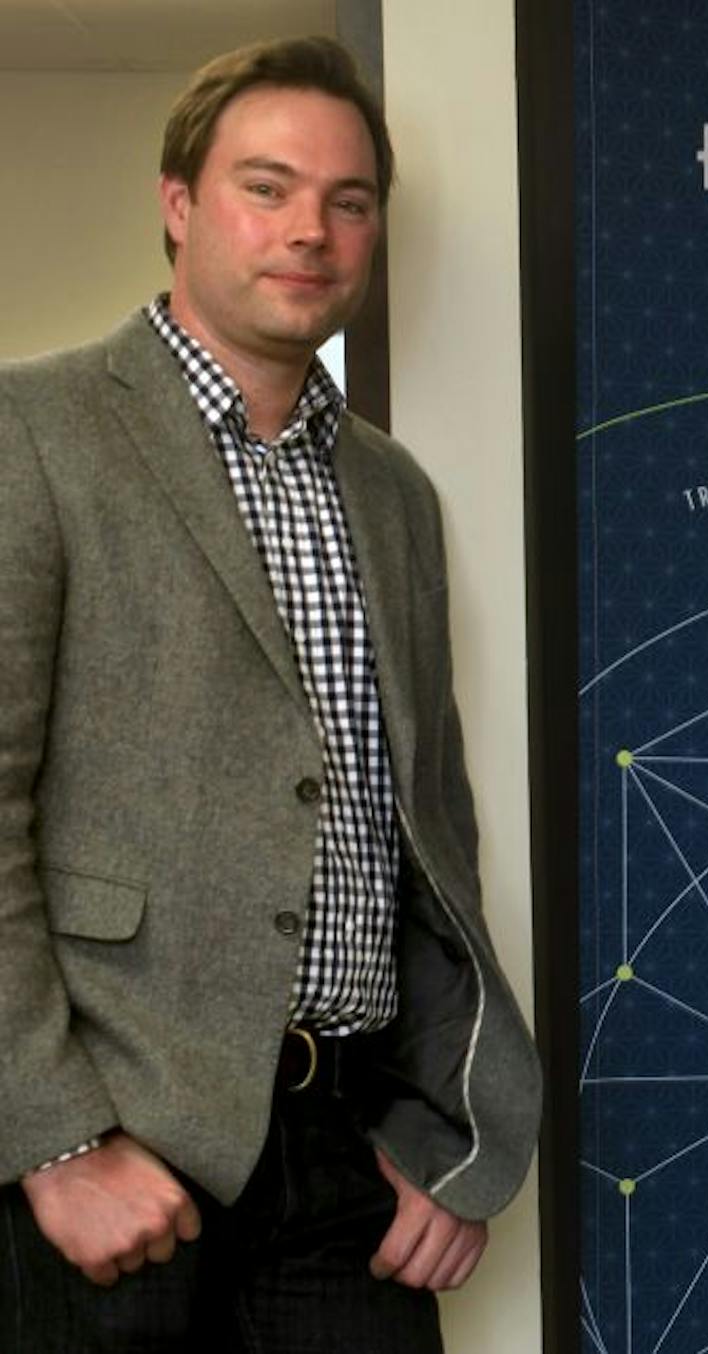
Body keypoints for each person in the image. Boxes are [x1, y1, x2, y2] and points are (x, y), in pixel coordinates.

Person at [0, 36, 540, 1351]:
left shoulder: (395, 493)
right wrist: (54, 1138)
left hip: (344, 1155)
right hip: (116, 1141)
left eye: (348, 201)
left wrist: (444, 1134)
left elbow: (428, 838)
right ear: (179, 205)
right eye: (268, 186)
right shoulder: (34, 432)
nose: (312, 229)